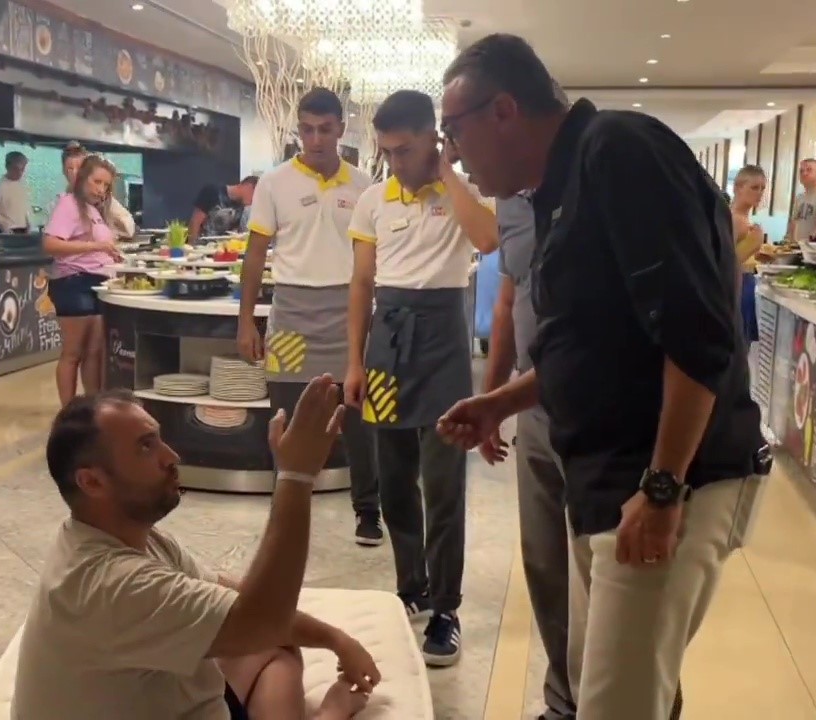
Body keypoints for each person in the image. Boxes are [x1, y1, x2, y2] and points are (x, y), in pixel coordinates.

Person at [437, 34, 764, 719]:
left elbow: (697, 332)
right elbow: (587, 344)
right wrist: (501, 401)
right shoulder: (559, 188)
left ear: (503, 110)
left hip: (672, 478)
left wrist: (664, 487)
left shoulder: (619, 150)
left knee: (618, 704)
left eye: (453, 132)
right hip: (608, 482)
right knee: (614, 689)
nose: (454, 157)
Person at [12, 377, 377, 720]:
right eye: (146, 446)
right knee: (267, 634)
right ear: (92, 482)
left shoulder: (124, 536)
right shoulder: (111, 585)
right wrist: (296, 477)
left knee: (277, 645)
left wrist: (335, 638)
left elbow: (233, 597)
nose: (171, 456)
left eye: (159, 440)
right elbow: (265, 621)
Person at [345, 90, 498, 668]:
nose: (395, 163)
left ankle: (446, 608)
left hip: (443, 347)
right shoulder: (373, 200)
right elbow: (362, 283)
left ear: (433, 140)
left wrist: (447, 173)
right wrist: (355, 362)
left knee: (443, 482)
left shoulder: (463, 191)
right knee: (393, 479)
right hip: (386, 345)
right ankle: (411, 585)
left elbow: (488, 240)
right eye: (387, 151)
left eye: (405, 150)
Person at [238, 87, 382, 547]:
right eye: (307, 129)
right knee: (285, 417)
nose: (315, 139)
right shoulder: (273, 183)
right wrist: (245, 320)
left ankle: (368, 511)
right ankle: (284, 508)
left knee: (359, 416)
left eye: (324, 129)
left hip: (348, 312)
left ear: (341, 129)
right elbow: (255, 254)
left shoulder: (363, 185)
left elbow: (371, 258)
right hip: (292, 312)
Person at [479, 193, 575, 720]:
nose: (464, 163)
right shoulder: (511, 207)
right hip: (533, 410)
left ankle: (635, 701)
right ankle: (563, 702)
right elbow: (506, 304)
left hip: (599, 412)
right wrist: (493, 400)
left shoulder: (593, 183)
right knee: (545, 563)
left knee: (610, 576)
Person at [43, 155, 123, 405]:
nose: (101, 189)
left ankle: (92, 409)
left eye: (106, 185)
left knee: (93, 353)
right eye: (97, 182)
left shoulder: (95, 211)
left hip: (97, 283)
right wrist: (96, 246)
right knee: (73, 353)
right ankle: (68, 412)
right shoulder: (68, 204)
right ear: (82, 179)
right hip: (73, 282)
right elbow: (51, 244)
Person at [57, 142, 137, 237]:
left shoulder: (103, 199)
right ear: (63, 171)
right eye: (70, 169)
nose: (75, 173)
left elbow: (128, 228)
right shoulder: (62, 202)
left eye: (79, 168)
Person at [731, 165, 768, 348]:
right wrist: (753, 244)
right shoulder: (734, 219)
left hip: (746, 284)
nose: (759, 193)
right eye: (754, 187)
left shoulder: (744, 219)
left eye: (762, 188)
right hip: (736, 287)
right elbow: (724, 263)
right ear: (738, 187)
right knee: (738, 349)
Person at [190, 176, 258, 243]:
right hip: (203, 245)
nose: (254, 200)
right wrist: (192, 244)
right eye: (255, 195)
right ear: (248, 187)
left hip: (226, 247)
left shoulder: (243, 207)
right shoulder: (212, 191)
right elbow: (196, 221)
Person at [0, 151, 32, 232]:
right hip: (7, 232)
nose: (20, 173)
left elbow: (23, 209)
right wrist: (4, 226)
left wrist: (28, 223)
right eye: (16, 169)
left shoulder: (22, 186)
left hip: (24, 231)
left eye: (22, 169)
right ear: (7, 166)